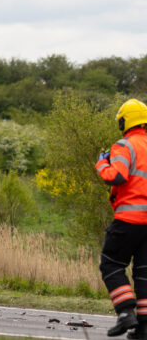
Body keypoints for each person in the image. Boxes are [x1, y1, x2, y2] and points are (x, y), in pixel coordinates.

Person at [96, 99, 147, 338]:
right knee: (144, 273)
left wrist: (101, 163)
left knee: (111, 264)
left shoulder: (124, 145)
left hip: (129, 219)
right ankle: (143, 328)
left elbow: (115, 176)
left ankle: (126, 312)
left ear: (124, 121)